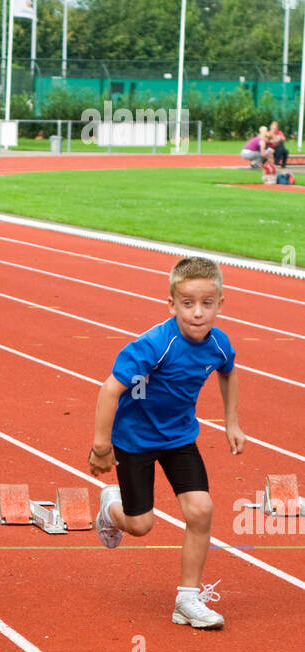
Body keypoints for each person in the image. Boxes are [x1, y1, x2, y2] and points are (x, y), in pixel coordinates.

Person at [89, 256, 244, 630]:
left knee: (201, 510)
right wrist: (100, 446)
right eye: (187, 303)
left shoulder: (219, 345)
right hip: (135, 440)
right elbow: (110, 389)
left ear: (221, 304)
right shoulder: (153, 346)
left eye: (207, 303)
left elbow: (229, 373)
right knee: (142, 526)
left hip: (178, 438)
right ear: (171, 304)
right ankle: (112, 508)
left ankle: (187, 600)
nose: (197, 313)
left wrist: (232, 422)